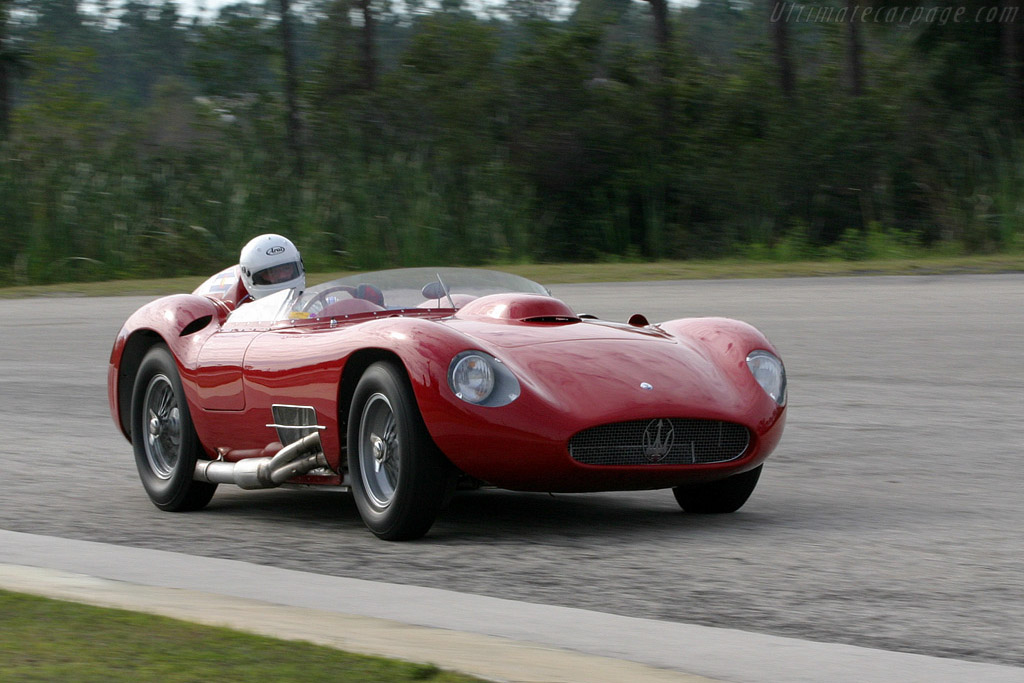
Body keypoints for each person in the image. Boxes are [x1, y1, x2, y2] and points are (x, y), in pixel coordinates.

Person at [238, 234, 305, 300]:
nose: (282, 276)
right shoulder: (247, 311)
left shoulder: (312, 307)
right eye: (273, 272)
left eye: (286, 269)